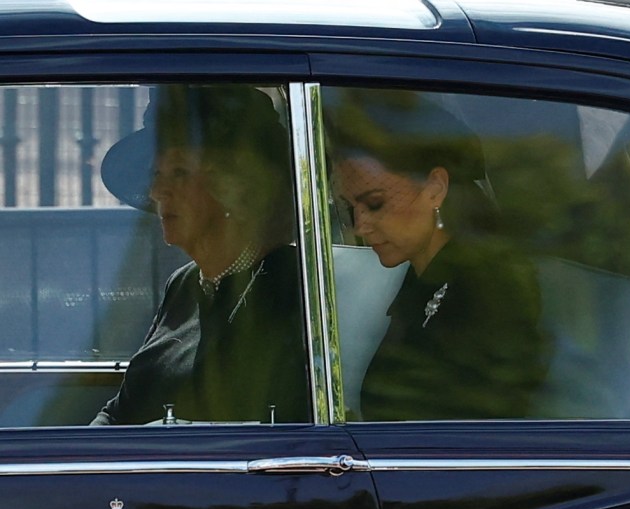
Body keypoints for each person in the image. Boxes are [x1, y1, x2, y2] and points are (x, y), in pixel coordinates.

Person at [91, 84, 311, 425]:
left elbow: (274, 428)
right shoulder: (183, 284)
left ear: (234, 187)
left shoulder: (288, 288)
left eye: (179, 173)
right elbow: (119, 411)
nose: (156, 191)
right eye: (156, 174)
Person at [326, 89, 548, 421]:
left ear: (435, 189)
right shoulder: (423, 277)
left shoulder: (488, 291)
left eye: (375, 203)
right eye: (348, 208)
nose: (360, 226)